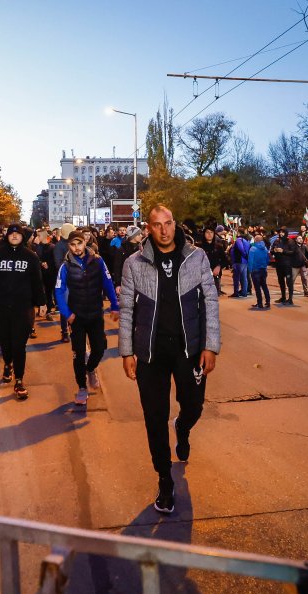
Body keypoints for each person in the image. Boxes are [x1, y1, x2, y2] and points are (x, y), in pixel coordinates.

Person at [118, 205, 220, 514]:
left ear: (175, 224)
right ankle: (164, 478)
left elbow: (211, 301)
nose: (164, 230)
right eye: (157, 225)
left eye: (168, 223)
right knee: (153, 416)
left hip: (189, 350)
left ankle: (184, 427)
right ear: (148, 228)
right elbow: (126, 310)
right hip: (150, 353)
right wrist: (126, 351)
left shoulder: (196, 257)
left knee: (194, 405)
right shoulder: (134, 264)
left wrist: (211, 346)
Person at [0, 223, 47, 400]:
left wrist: (42, 303)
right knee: (4, 341)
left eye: (18, 234)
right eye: (12, 234)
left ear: (22, 237)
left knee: (19, 345)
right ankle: (7, 363)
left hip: (23, 307)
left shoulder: (30, 256)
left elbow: (37, 282)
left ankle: (19, 380)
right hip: (1, 306)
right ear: (7, 236)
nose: (15, 236)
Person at [55, 230, 119, 406]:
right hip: (77, 317)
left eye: (79, 244)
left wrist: (114, 305)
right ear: (69, 246)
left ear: (85, 243)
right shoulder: (65, 266)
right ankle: (82, 388)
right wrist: (67, 314)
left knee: (99, 348)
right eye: (73, 245)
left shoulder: (97, 261)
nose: (76, 248)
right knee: (78, 354)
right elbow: (59, 291)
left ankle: (91, 369)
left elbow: (107, 282)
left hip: (96, 314)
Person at [52, 223, 76, 343]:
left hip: (76, 280)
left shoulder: (72, 244)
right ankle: (64, 331)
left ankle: (73, 329)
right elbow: (58, 264)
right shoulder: (59, 246)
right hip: (65, 282)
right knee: (65, 307)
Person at [270, 227, 296, 305]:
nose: (281, 233)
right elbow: (271, 250)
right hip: (279, 264)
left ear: (286, 233)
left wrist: (283, 251)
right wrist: (274, 251)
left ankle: (290, 298)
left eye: (283, 232)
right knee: (281, 281)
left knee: (289, 282)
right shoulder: (276, 241)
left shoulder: (290, 241)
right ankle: (283, 297)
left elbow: (293, 252)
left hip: (287, 264)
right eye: (280, 232)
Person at [247, 233, 271, 309]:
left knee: (257, 288)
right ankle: (268, 302)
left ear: (255, 240)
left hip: (255, 270)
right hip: (263, 269)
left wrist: (250, 270)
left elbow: (250, 261)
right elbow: (267, 259)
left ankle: (260, 303)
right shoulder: (265, 249)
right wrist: (264, 265)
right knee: (264, 286)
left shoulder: (253, 249)